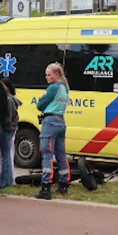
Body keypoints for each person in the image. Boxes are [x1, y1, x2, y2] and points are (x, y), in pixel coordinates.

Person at [35, 62, 69, 200]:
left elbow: (40, 104)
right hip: (61, 121)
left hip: (50, 121)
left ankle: (45, 187)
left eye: (49, 75)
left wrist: (43, 103)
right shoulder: (64, 88)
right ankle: (63, 184)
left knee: (47, 154)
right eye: (46, 75)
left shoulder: (53, 87)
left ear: (57, 74)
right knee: (61, 155)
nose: (47, 77)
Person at [0, 77, 20, 189]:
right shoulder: (10, 99)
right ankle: (6, 180)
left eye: (2, 85)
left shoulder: (9, 100)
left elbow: (8, 117)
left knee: (5, 156)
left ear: (7, 87)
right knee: (6, 155)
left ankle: (5, 181)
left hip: (7, 129)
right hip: (9, 129)